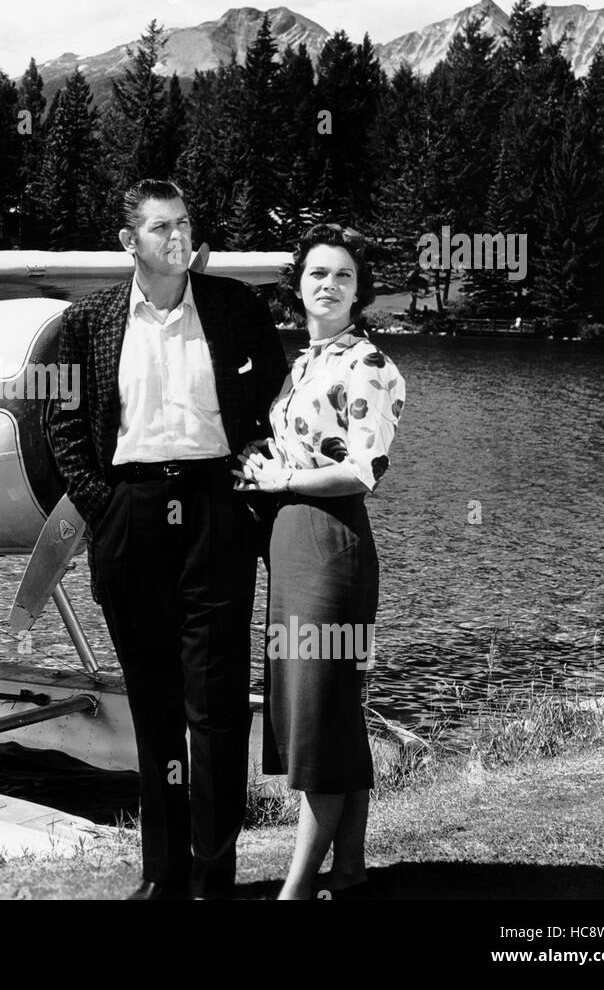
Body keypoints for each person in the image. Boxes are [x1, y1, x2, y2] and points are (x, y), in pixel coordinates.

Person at [48, 179, 287, 900]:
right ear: (129, 242)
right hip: (131, 516)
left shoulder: (234, 308)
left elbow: (275, 405)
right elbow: (60, 426)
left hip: (216, 513)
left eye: (184, 225)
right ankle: (163, 875)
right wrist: (103, 506)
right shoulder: (84, 324)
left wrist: (249, 498)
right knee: (152, 707)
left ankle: (216, 879)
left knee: (214, 709)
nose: (178, 238)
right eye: (160, 228)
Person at [234, 223, 406, 900]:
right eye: (316, 274)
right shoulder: (305, 363)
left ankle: (297, 890)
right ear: (297, 287)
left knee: (317, 718)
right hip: (291, 543)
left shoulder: (368, 365)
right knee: (327, 712)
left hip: (331, 547)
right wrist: (261, 462)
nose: (328, 285)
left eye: (341, 275)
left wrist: (282, 483)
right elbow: (302, 450)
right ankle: (352, 867)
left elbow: (364, 470)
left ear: (359, 290)